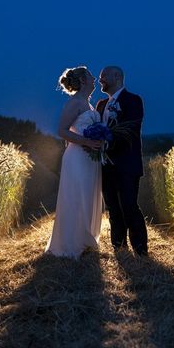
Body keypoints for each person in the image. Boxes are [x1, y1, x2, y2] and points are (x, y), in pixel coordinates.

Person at [45, 66, 104, 259]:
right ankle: (72, 243)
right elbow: (62, 131)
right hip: (77, 156)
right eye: (91, 75)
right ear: (83, 80)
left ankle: (86, 239)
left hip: (90, 157)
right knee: (77, 195)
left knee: (88, 194)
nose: (95, 78)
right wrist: (87, 141)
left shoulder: (88, 104)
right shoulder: (75, 103)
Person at [95, 66, 148, 256]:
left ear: (116, 76)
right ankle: (119, 247)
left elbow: (130, 131)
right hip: (105, 166)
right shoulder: (100, 104)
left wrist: (107, 143)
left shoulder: (133, 100)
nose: (100, 79)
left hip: (126, 164)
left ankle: (140, 250)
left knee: (129, 206)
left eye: (103, 76)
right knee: (113, 208)